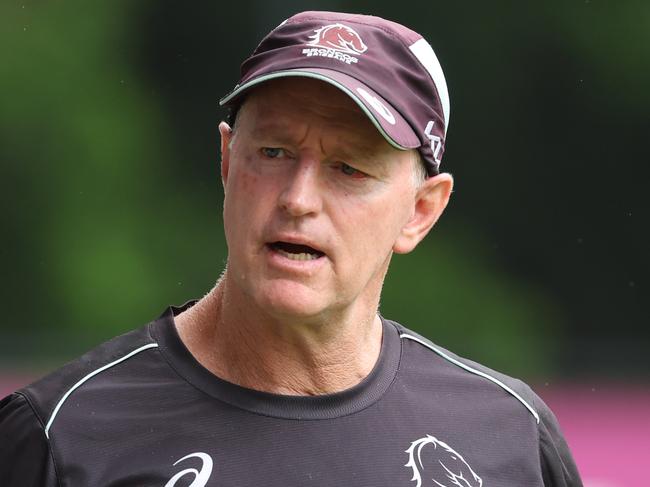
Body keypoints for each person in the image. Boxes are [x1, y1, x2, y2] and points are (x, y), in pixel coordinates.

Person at [0, 10, 583, 486]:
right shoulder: (57, 437)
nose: (299, 198)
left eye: (348, 168)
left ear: (420, 211)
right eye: (274, 152)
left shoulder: (510, 440)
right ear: (227, 161)